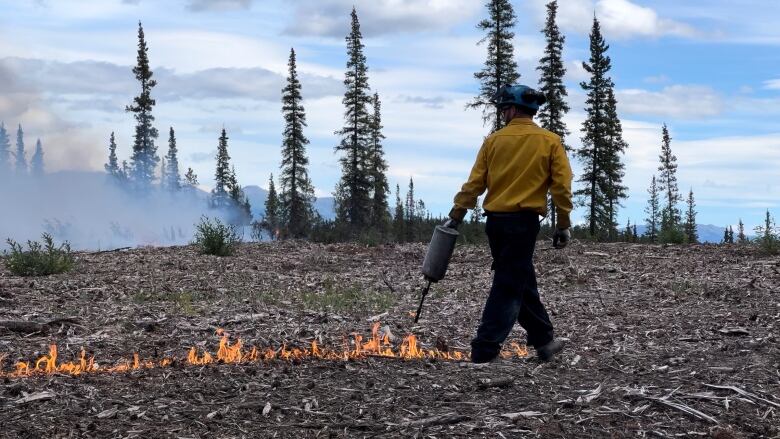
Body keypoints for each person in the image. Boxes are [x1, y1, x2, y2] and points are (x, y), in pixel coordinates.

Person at [446, 84, 573, 363]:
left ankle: (544, 341)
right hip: (524, 223)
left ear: (513, 109)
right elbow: (561, 187)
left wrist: (457, 214)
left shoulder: (493, 141)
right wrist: (563, 223)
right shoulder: (549, 141)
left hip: (495, 224)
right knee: (508, 284)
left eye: (504, 109)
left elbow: (475, 183)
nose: (503, 114)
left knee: (519, 279)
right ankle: (484, 349)